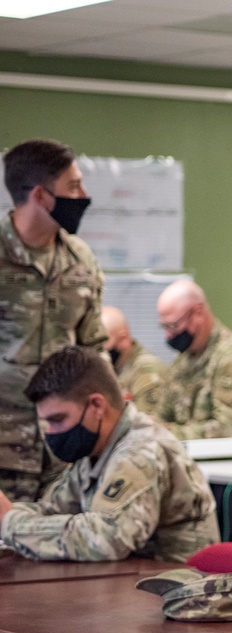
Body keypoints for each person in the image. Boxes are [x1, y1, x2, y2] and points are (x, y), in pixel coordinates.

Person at [0, 346, 219, 562]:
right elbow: (53, 510)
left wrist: (12, 522)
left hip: (176, 586)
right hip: (129, 579)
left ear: (97, 405)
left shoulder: (140, 453)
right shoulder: (96, 448)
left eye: (58, 420)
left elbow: (108, 538)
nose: (51, 433)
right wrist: (7, 516)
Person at [0, 139, 107, 502]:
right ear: (41, 196)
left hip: (64, 450)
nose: (84, 195)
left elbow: (93, 350)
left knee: (59, 552)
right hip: (4, 448)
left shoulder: (81, 260)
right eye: (73, 186)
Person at [156, 279, 232, 443]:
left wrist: (167, 433)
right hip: (197, 455)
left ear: (198, 313)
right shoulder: (184, 360)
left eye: (173, 326)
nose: (168, 335)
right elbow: (162, 415)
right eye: (165, 327)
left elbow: (229, 430)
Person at [101, 305, 166, 416]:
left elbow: (149, 425)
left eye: (103, 341)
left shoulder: (146, 371)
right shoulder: (114, 367)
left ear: (124, 339)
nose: (100, 349)